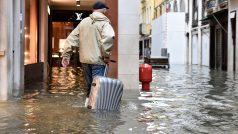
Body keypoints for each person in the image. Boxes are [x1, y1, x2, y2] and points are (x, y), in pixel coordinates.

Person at [61, 1, 115, 107]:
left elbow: (71, 39)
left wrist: (66, 55)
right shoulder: (105, 23)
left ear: (93, 10)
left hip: (85, 60)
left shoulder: (83, 22)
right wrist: (105, 56)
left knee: (90, 86)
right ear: (104, 10)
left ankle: (87, 107)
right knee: (97, 88)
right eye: (106, 9)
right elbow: (108, 38)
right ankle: (95, 113)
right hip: (99, 60)